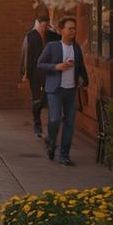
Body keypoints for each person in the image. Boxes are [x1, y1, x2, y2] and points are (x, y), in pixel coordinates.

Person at [36, 16, 89, 166]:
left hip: (71, 90)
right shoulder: (52, 46)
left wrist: (84, 80)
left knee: (70, 123)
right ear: (61, 30)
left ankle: (64, 155)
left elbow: (81, 66)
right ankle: (51, 142)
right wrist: (56, 67)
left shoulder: (76, 47)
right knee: (54, 119)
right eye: (70, 28)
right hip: (55, 89)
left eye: (74, 28)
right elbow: (40, 64)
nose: (73, 31)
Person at [21, 15, 51, 140]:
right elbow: (26, 55)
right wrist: (25, 74)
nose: (45, 28)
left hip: (48, 72)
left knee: (45, 96)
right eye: (43, 25)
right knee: (36, 98)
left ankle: (42, 120)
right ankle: (37, 124)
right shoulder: (31, 36)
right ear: (37, 23)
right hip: (34, 73)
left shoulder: (50, 35)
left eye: (46, 25)